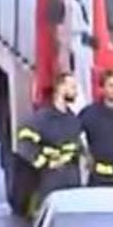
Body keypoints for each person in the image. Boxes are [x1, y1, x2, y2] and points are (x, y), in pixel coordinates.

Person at [16, 72, 84, 217]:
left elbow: (77, 148)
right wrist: (44, 162)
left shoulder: (73, 120)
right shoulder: (42, 119)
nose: (75, 92)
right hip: (49, 183)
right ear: (60, 88)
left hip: (71, 184)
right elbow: (24, 143)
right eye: (72, 87)